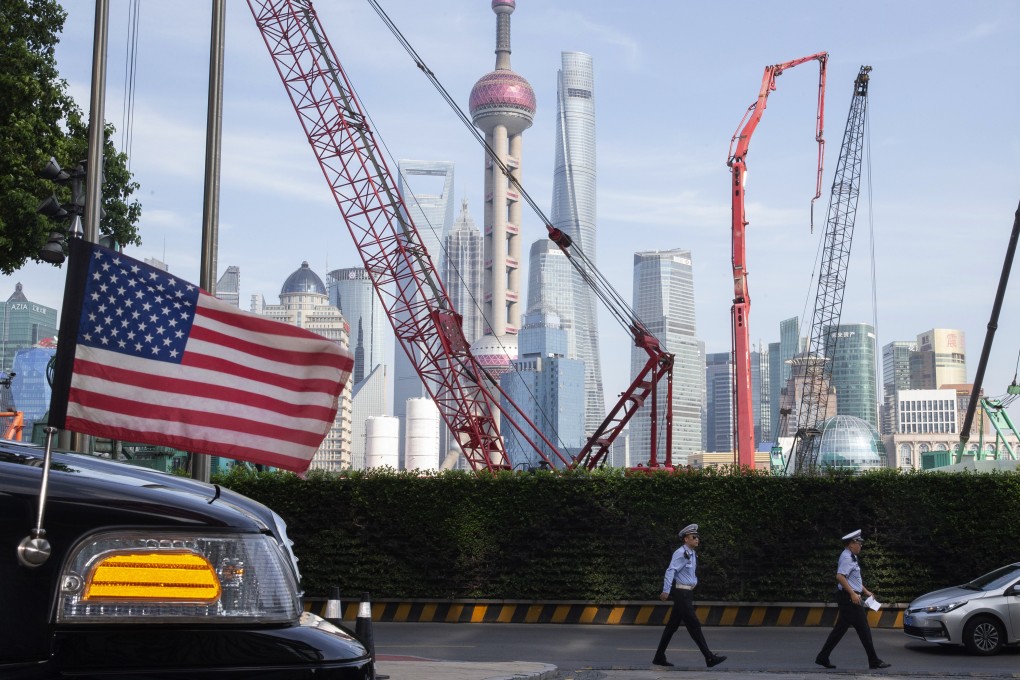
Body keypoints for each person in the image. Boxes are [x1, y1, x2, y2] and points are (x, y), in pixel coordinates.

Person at [652, 523, 726, 668]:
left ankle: (659, 657)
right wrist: (666, 590)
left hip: (686, 593)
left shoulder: (691, 553)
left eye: (697, 537)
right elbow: (671, 570)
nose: (697, 539)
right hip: (682, 594)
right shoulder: (681, 553)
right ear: (686, 539)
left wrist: (694, 582)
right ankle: (709, 658)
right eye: (693, 537)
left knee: (671, 627)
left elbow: (690, 574)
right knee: (694, 625)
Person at [815, 529, 891, 670]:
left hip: (848, 598)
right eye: (858, 543)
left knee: (839, 630)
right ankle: (874, 661)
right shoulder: (847, 558)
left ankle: (822, 657)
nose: (860, 546)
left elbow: (853, 579)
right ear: (851, 544)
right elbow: (840, 577)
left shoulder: (850, 556)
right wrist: (852, 594)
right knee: (864, 630)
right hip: (850, 600)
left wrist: (866, 591)